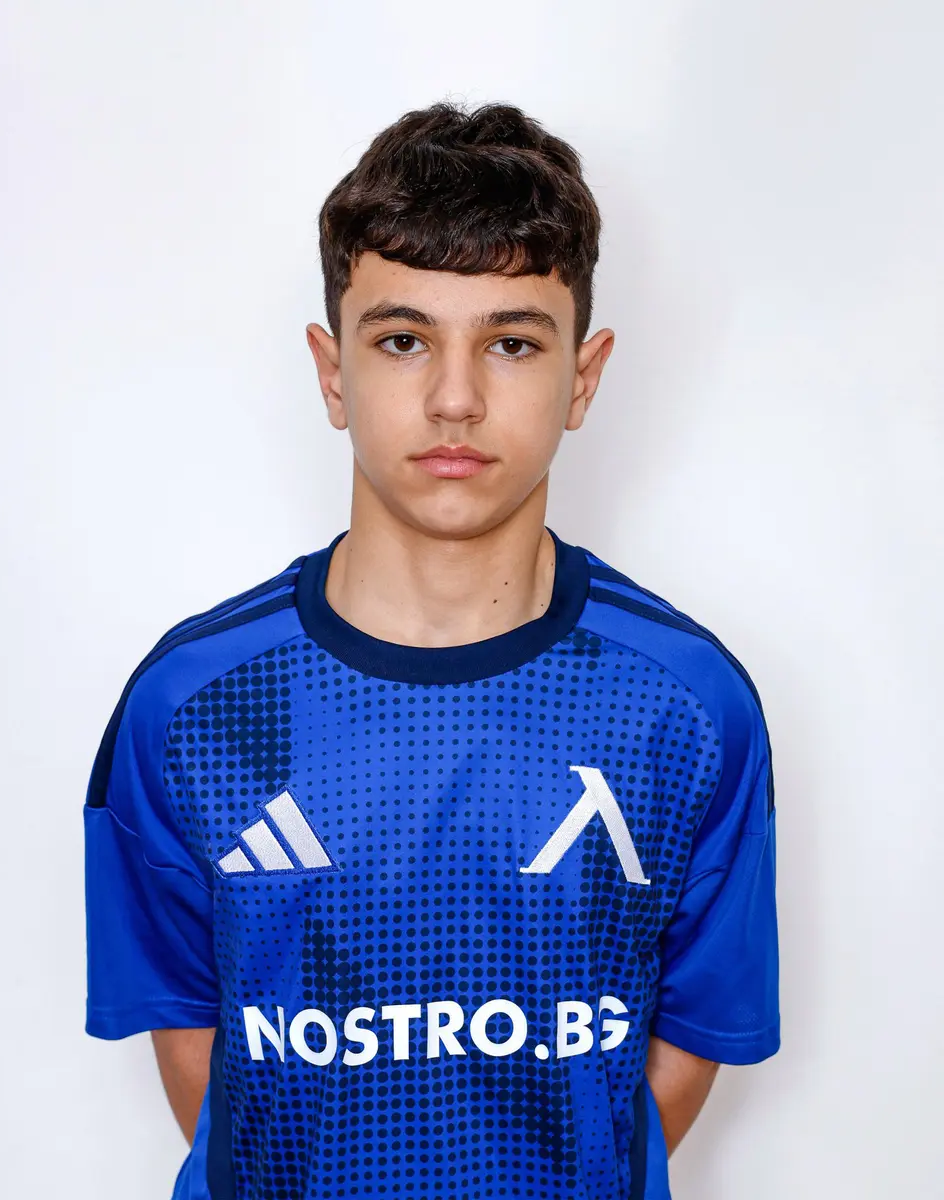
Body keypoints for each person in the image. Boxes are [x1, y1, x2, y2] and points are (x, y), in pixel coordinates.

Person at [83, 100, 780, 1200]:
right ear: (332, 372)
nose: (455, 399)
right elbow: (195, 1043)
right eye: (402, 340)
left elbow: (687, 1044)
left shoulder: (687, 705)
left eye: (512, 343)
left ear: (583, 376)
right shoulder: (193, 705)